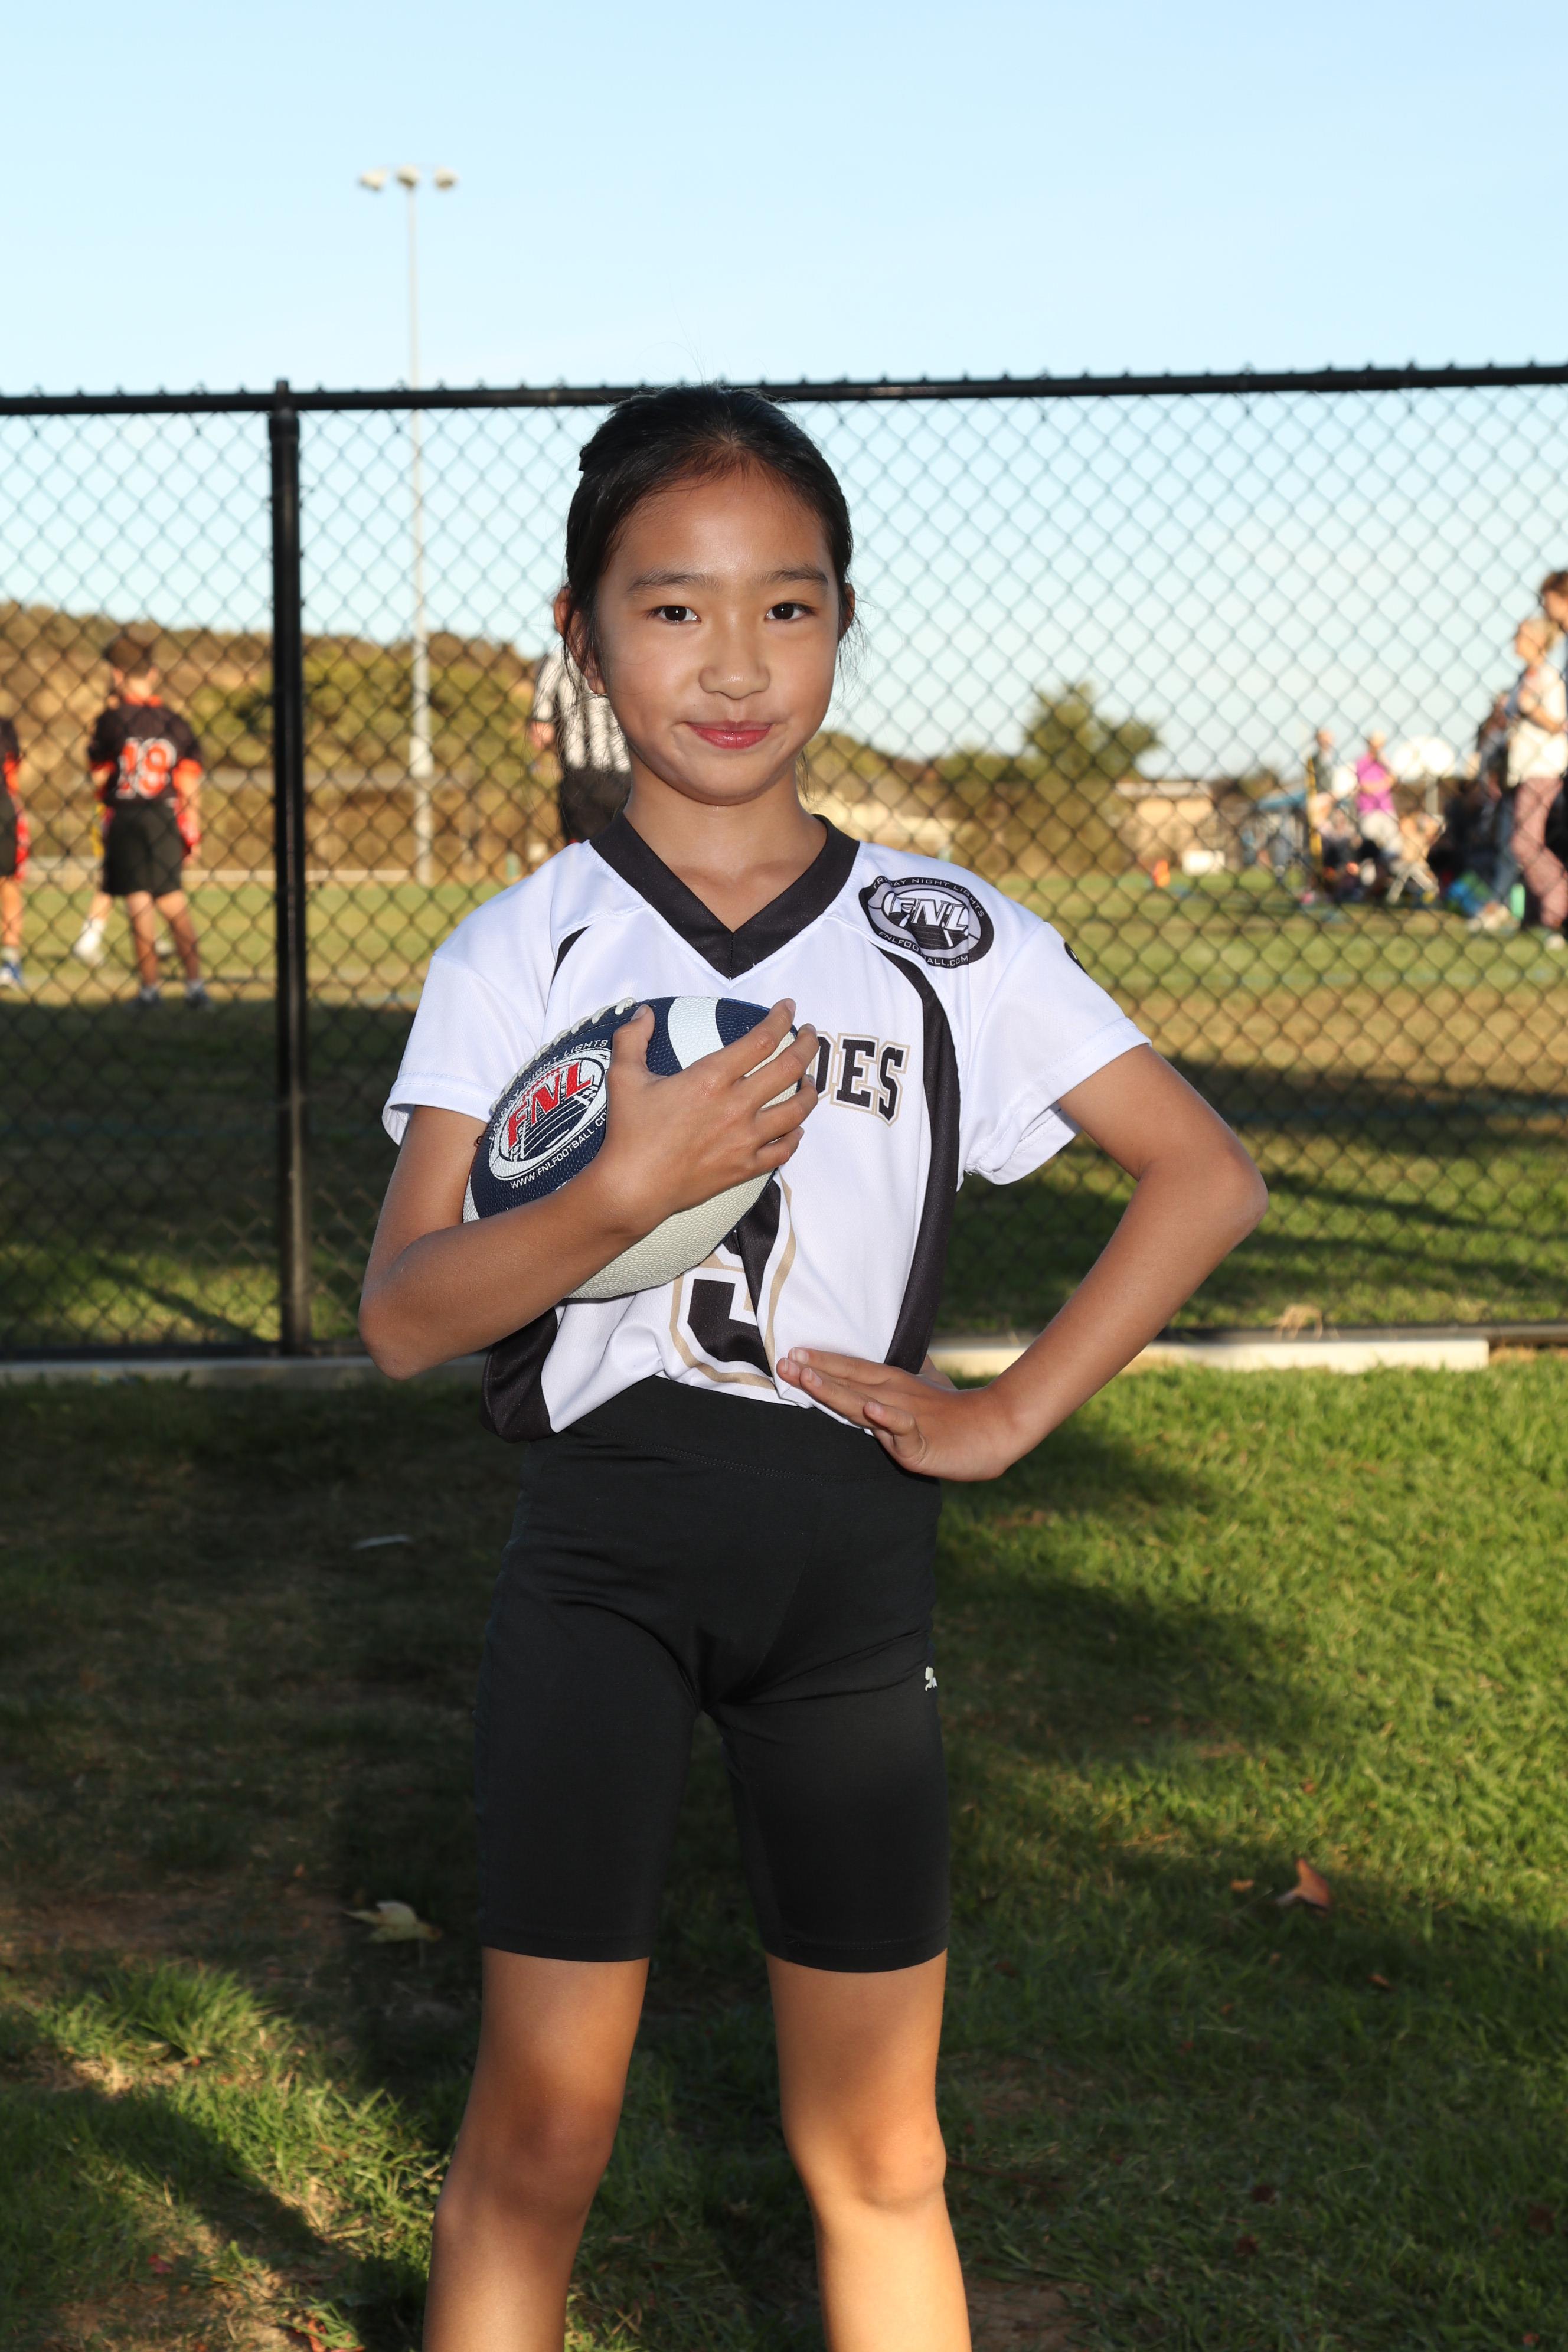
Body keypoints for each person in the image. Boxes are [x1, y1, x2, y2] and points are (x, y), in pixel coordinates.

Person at [360, 387, 1267, 2352]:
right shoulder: (520, 948)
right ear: (580, 634)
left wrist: (1009, 1412)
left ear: (845, 621)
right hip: (599, 1569)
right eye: (671, 608)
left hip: (850, 1583)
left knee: (881, 2154)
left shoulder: (945, 932)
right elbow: (405, 1311)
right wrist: (619, 1195)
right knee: (540, 2133)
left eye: (786, 605)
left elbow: (1204, 1173)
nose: (734, 662)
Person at [84, 636, 210, 1007]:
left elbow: (98, 774)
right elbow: (188, 782)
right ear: (153, 673)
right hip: (164, 814)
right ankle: (195, 987)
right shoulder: (175, 722)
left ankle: (150, 990)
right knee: (173, 900)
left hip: (125, 814)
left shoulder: (111, 719)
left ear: (117, 675)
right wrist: (193, 829)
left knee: (138, 902)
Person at [1504, 613, 1568, 948]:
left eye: (1520, 636)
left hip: (1543, 767)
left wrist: (1531, 709)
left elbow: (1559, 722)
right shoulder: (1526, 677)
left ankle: (1558, 904)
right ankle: (1537, 915)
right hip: (1524, 768)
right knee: (1524, 841)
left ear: (1537, 641)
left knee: (1524, 842)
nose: (1514, 643)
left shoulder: (1548, 677)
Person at [528, 641, 632, 843]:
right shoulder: (626, 652)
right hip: (614, 775)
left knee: (590, 850)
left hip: (590, 776)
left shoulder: (559, 658)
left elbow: (540, 733)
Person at [0, 715, 27, 988]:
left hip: (3, 807)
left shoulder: (4, 726)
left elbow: (14, 767)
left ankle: (11, 961)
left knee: (8, 883)